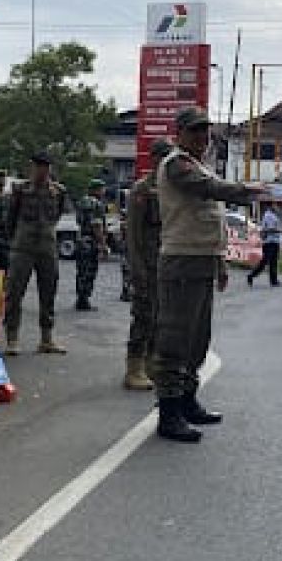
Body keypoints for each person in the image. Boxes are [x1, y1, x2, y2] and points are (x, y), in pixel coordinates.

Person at [151, 107, 265, 443]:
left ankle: (187, 401)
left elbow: (210, 221)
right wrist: (246, 191)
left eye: (206, 131)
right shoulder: (177, 164)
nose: (203, 137)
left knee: (197, 338)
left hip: (201, 260)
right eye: (196, 131)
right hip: (181, 261)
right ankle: (169, 413)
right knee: (175, 339)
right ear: (180, 133)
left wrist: (219, 262)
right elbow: (207, 188)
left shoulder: (198, 163)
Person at [4, 151, 68, 354]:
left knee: (48, 292)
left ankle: (46, 338)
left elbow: (56, 215)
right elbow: (10, 219)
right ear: (32, 167)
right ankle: (12, 338)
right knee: (15, 292)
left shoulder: (58, 191)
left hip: (47, 247)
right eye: (39, 166)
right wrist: (14, 241)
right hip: (23, 247)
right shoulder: (20, 190)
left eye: (46, 166)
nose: (43, 170)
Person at [124, 140, 171, 391]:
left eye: (168, 156)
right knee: (143, 315)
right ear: (153, 159)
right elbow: (132, 235)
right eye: (161, 156)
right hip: (147, 263)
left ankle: (151, 363)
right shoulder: (141, 190)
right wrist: (137, 268)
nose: (165, 161)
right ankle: (134, 368)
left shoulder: (172, 190)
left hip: (167, 265)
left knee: (162, 318)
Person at [74, 179, 108, 311]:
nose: (103, 191)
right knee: (89, 271)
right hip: (91, 242)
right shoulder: (96, 204)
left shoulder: (82, 202)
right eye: (102, 188)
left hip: (81, 239)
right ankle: (84, 300)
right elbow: (97, 225)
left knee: (81, 271)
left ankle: (80, 298)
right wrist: (103, 245)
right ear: (96, 189)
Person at [247, 203, 282, 286]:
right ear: (271, 206)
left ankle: (274, 280)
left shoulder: (273, 215)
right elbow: (269, 229)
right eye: (275, 205)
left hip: (274, 241)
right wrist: (278, 230)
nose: (277, 207)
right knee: (265, 261)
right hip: (270, 241)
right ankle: (251, 275)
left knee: (273, 262)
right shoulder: (269, 216)